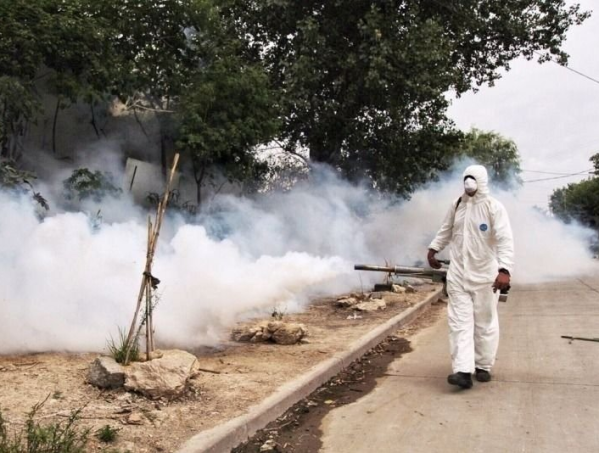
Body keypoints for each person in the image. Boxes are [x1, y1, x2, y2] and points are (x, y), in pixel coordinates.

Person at [427, 165, 514, 389]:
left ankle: (483, 365)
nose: (468, 184)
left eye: (472, 180)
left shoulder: (494, 207)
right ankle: (463, 371)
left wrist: (504, 270)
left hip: (485, 276)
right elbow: (446, 229)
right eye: (466, 179)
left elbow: (504, 240)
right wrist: (433, 249)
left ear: (481, 182)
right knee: (459, 323)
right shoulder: (457, 205)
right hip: (458, 274)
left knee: (485, 322)